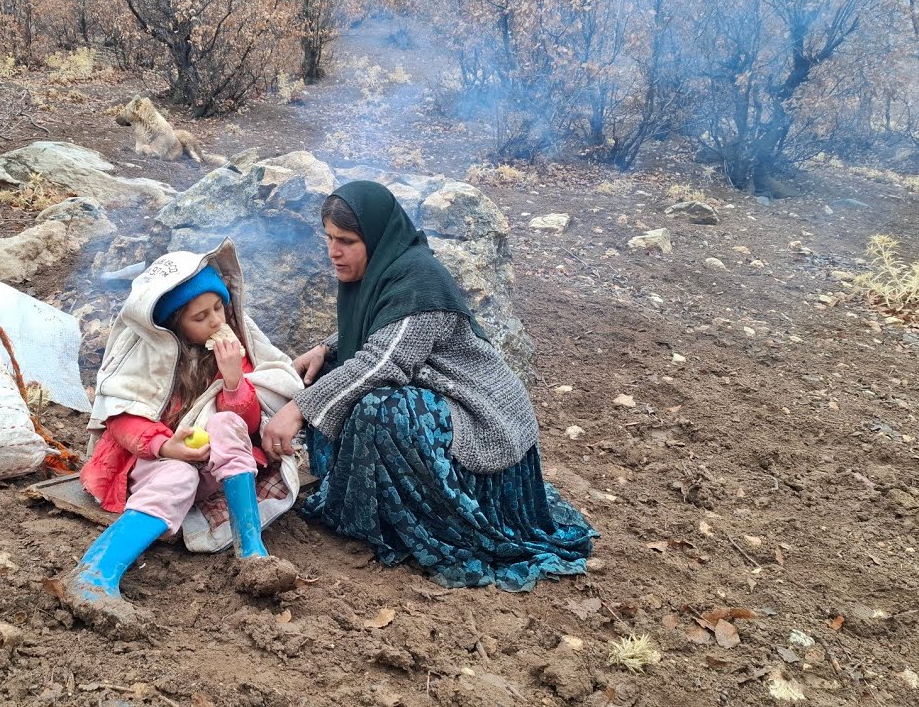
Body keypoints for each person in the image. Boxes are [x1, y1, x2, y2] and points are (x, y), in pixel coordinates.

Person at [261, 180, 597, 591]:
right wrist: (325, 347)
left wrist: (297, 409)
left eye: (346, 241)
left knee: (379, 410)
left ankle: (431, 521)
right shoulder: (385, 270)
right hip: (442, 395)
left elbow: (387, 359)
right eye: (329, 238)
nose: (333, 252)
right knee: (335, 376)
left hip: (482, 416)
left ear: (377, 238)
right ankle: (384, 512)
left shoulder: (420, 279)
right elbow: (384, 330)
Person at [62, 241, 305, 633]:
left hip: (217, 464)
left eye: (218, 309)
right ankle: (95, 574)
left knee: (227, 425)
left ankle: (251, 550)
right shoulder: (146, 356)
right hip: (153, 462)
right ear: (174, 324)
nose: (214, 322)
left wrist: (232, 380)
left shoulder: (236, 348)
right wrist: (166, 446)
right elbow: (123, 418)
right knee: (180, 475)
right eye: (199, 317)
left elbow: (247, 421)